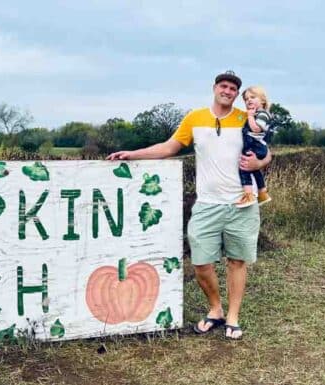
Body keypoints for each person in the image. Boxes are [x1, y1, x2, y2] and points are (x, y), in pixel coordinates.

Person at [107, 71, 271, 340]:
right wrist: (132, 154)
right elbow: (169, 147)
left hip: (242, 202)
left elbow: (266, 151)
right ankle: (215, 309)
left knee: (237, 261)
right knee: (201, 262)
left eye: (233, 88)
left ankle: (232, 317)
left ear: (236, 94)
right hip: (207, 204)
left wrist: (259, 164)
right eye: (224, 86)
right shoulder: (195, 118)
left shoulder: (245, 119)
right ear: (215, 88)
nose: (228, 91)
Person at [235, 85, 273, 208]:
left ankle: (248, 195)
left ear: (262, 100)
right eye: (246, 99)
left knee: (243, 169)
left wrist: (250, 117)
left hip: (255, 146)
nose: (249, 100)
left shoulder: (263, 114)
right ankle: (263, 193)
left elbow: (256, 129)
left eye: (252, 97)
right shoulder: (256, 114)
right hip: (255, 146)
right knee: (254, 170)